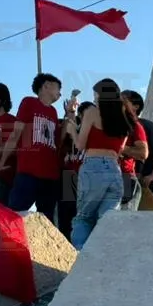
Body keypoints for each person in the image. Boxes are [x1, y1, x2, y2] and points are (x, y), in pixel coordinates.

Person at [69, 78, 137, 250]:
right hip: (115, 170)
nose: (94, 100)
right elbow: (120, 149)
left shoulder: (92, 112)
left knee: (84, 217)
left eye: (95, 96)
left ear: (100, 96)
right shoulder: (125, 118)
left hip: (93, 166)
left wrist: (71, 131)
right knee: (107, 219)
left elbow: (80, 145)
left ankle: (81, 260)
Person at [0, 73, 65, 224]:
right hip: (29, 171)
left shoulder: (54, 112)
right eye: (58, 88)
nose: (60, 93)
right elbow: (16, 133)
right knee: (15, 213)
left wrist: (69, 115)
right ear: (46, 85)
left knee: (46, 219)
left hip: (50, 174)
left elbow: (57, 142)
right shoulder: (29, 102)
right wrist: (2, 161)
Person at [121, 90, 153, 196]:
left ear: (136, 107)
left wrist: (152, 176)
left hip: (140, 184)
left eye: (124, 101)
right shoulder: (115, 127)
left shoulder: (146, 126)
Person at [57, 101, 93, 241]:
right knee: (66, 219)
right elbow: (65, 130)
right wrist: (70, 112)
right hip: (69, 177)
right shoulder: (73, 131)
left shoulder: (98, 133)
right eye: (83, 115)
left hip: (89, 179)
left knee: (86, 218)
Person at [117, 103, 150, 212]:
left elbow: (143, 153)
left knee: (124, 220)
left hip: (125, 177)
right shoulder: (97, 124)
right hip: (98, 177)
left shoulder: (134, 126)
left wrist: (120, 148)